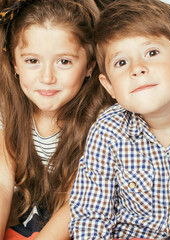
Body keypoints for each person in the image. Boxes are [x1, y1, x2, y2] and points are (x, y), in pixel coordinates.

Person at [69, 0, 170, 239]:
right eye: (121, 62)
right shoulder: (108, 130)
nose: (137, 68)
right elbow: (90, 216)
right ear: (109, 85)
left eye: (151, 53)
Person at [0, 0, 113, 239]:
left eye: (64, 61)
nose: (47, 77)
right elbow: (1, 184)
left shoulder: (103, 120)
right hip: (25, 212)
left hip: (76, 214)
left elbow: (75, 203)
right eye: (32, 61)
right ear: (15, 64)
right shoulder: (7, 108)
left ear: (90, 66)